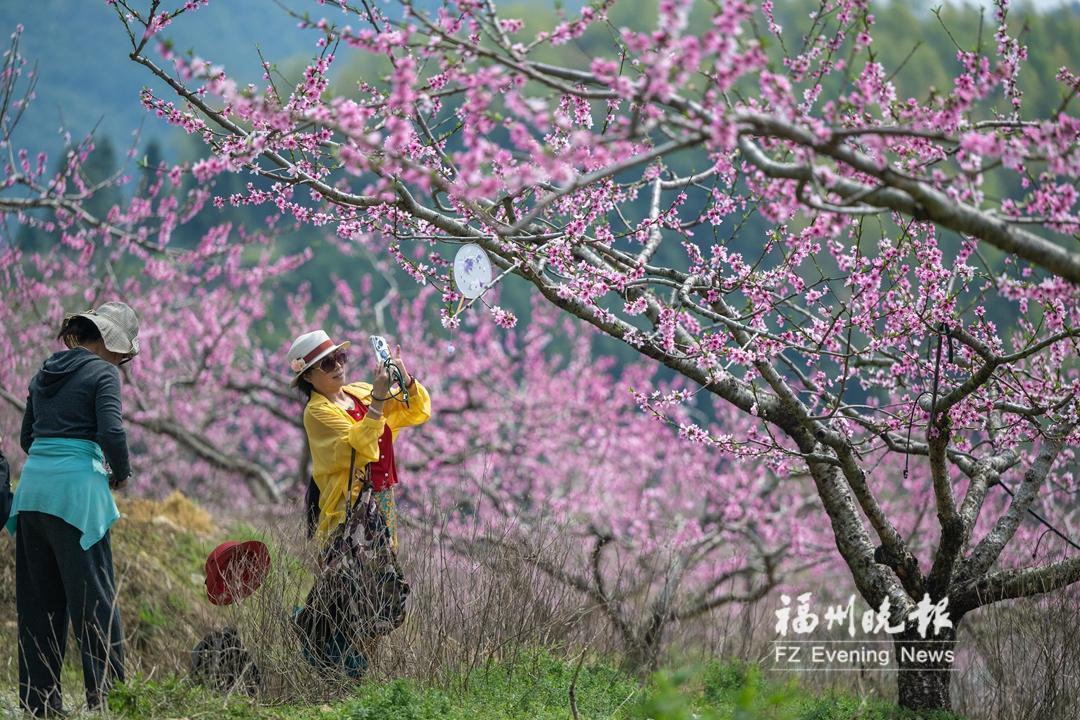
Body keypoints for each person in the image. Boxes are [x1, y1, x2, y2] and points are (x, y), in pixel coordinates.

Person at [5, 301, 139, 717]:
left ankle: (40, 706)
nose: (122, 361)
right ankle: (110, 702)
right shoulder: (104, 373)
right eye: (123, 353)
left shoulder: (44, 371)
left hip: (32, 493)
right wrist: (120, 472)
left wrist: (53, 455)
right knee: (95, 603)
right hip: (76, 497)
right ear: (109, 344)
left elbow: (28, 437)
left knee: (38, 606)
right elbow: (111, 430)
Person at [288, 329, 430, 676]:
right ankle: (332, 663)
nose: (338, 367)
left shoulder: (361, 393)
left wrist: (403, 377)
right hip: (346, 511)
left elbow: (413, 411)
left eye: (340, 358)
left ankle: (358, 670)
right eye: (326, 364)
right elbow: (361, 444)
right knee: (349, 592)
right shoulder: (317, 413)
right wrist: (379, 402)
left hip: (381, 502)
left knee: (379, 591)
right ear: (308, 376)